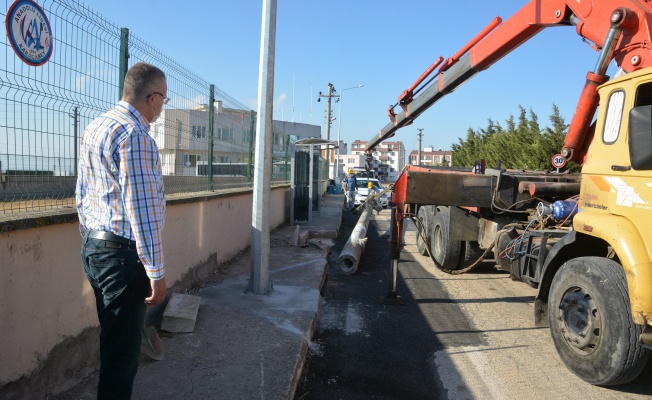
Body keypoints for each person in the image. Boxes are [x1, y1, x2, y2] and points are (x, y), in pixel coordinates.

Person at [76, 62, 168, 400]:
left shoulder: (96, 127)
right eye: (164, 101)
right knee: (122, 358)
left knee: (113, 342)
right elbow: (142, 212)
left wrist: (89, 239)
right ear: (153, 98)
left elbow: (81, 193)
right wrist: (157, 273)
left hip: (96, 249)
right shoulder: (136, 135)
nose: (161, 109)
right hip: (122, 257)